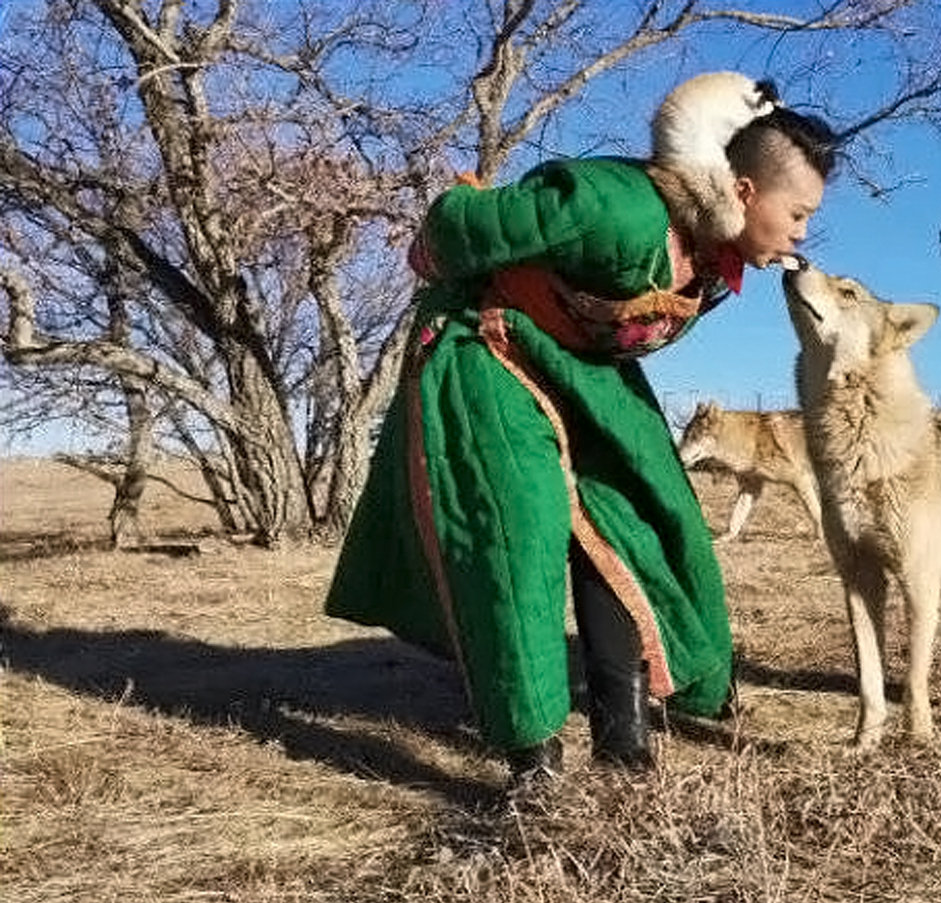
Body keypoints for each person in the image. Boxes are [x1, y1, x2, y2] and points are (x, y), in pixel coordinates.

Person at [324, 73, 837, 788]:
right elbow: (459, 225)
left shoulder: (716, 265)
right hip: (488, 338)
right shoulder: (613, 209)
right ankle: (532, 755)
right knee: (520, 526)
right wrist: (454, 240)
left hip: (580, 361)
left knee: (640, 511)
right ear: (744, 192)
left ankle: (624, 738)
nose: (803, 234)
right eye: (800, 212)